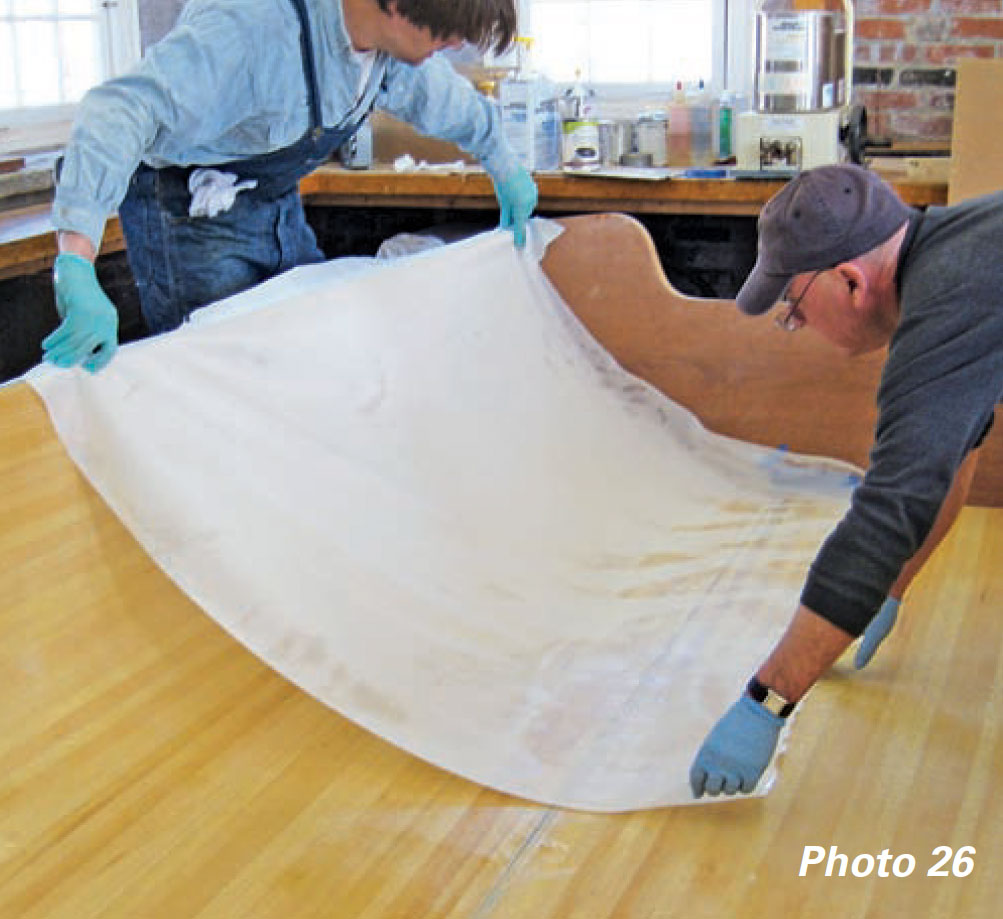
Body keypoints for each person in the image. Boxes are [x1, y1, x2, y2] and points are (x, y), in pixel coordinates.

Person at [689, 163, 1001, 797]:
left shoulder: (955, 292)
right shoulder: (963, 250)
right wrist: (888, 588)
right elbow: (956, 446)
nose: (797, 325)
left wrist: (766, 703)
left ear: (851, 281)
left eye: (794, 307)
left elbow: (890, 509)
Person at [43, 0, 538, 373]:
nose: (456, 45)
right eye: (449, 29)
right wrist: (76, 263)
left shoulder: (385, 50)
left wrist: (502, 159)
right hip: (189, 215)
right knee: (225, 382)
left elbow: (441, 96)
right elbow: (118, 111)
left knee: (310, 359)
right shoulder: (253, 27)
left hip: (272, 201)